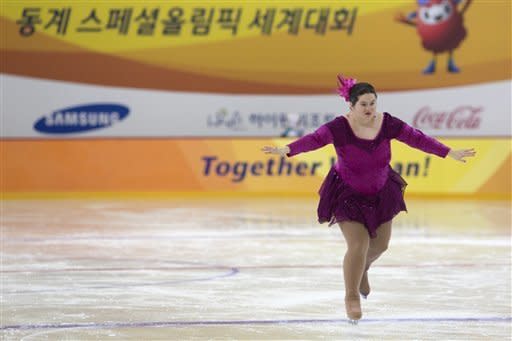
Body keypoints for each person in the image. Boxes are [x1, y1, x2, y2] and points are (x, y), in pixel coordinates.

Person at [261, 75, 476, 324]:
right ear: (351, 106)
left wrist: (448, 152)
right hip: (347, 194)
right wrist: (288, 149)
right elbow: (315, 139)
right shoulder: (339, 127)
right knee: (358, 245)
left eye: (372, 103)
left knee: (381, 245)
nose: (369, 108)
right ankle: (351, 297)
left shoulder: (387, 123)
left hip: (382, 191)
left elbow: (417, 138)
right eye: (363, 104)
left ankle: (362, 268)